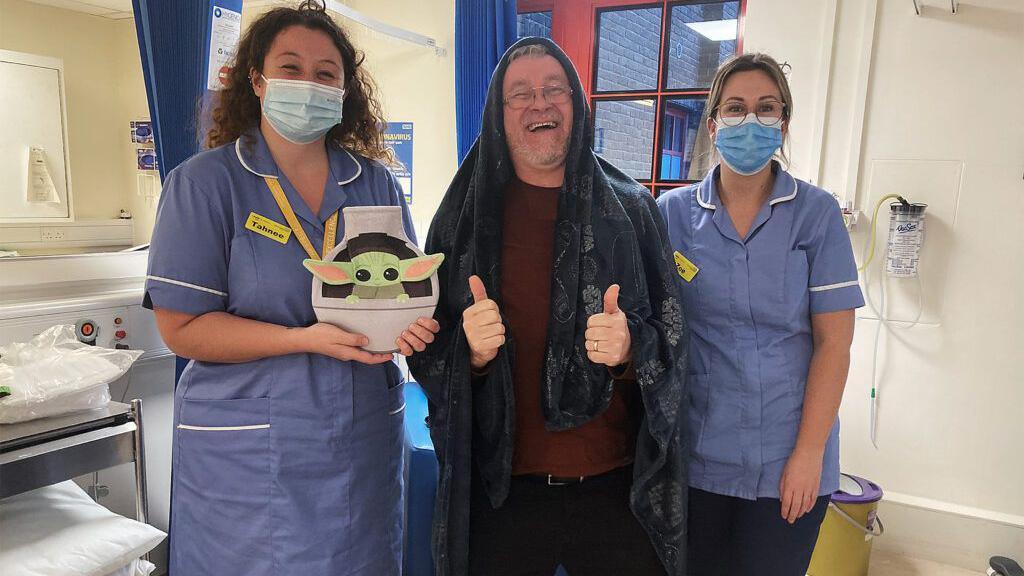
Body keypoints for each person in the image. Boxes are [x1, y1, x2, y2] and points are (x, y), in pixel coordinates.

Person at [144, 3, 438, 574]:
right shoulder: (204, 185)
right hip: (248, 459)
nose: (309, 84)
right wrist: (303, 340)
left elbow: (402, 285)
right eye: (291, 67)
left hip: (360, 439)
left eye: (326, 73)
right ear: (257, 80)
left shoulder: (374, 182)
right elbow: (180, 329)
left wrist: (415, 326)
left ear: (344, 88)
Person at [407, 38, 688, 576]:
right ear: (497, 113)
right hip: (502, 492)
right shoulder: (461, 219)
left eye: (554, 88)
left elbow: (674, 341)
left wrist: (631, 349)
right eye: (520, 94)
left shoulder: (631, 213)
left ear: (576, 105)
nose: (540, 103)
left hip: (615, 490)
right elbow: (428, 344)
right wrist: (472, 356)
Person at [656, 53, 865, 576]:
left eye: (765, 108)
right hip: (698, 457)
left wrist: (808, 455)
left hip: (789, 460)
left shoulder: (815, 215)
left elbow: (834, 344)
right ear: (713, 123)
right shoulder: (672, 216)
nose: (750, 121)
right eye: (736, 108)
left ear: (783, 123)